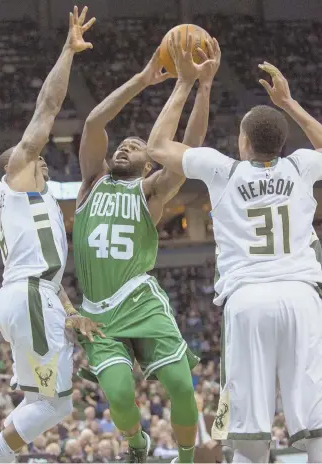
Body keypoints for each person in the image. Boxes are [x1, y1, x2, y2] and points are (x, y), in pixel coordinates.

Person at [147, 33, 322, 464]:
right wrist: (288, 104)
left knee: (249, 429)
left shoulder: (224, 171)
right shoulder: (301, 165)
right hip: (303, 297)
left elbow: (157, 146)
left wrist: (189, 83)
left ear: (243, 143)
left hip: (248, 301)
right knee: (315, 426)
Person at [73, 37, 221, 463]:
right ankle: (138, 444)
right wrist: (142, 79)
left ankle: (189, 458)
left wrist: (202, 87)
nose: (124, 146)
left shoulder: (152, 189)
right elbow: (93, 126)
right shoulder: (91, 183)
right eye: (123, 145)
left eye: (136, 146)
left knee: (180, 386)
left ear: (149, 162)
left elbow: (187, 149)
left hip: (140, 301)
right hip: (98, 311)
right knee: (118, 394)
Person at [0, 7, 103, 463]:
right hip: (29, 296)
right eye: (33, 157)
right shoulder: (16, 179)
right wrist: (67, 51)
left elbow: (50, 272)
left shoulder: (44, 204)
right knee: (56, 405)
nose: (41, 159)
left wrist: (69, 312)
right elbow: (48, 107)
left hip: (35, 295)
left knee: (43, 402)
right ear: (14, 166)